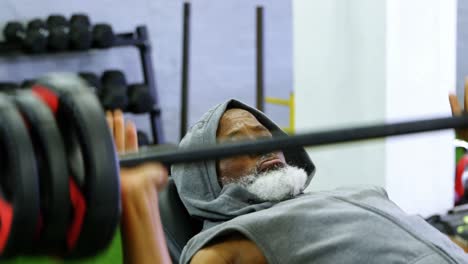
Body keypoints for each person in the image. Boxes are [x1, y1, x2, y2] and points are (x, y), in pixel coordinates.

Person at [114, 84, 468, 263]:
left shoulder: (349, 197)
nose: (262, 146)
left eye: (266, 137)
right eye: (237, 142)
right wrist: (135, 200)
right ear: (205, 179)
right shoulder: (228, 241)